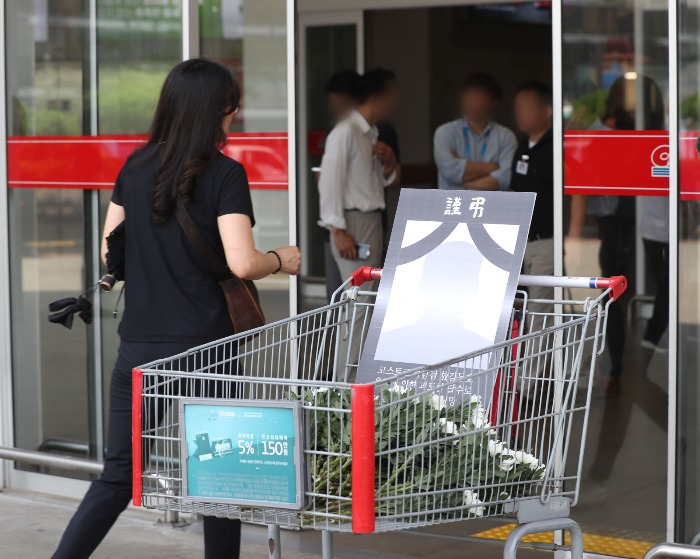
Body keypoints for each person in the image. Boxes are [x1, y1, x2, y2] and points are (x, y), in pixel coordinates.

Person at [51, 58, 301, 559]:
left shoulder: (136, 166)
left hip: (140, 348)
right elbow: (242, 261)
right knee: (215, 475)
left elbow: (110, 250)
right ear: (221, 109)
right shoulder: (226, 173)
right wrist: (282, 259)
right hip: (210, 348)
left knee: (118, 475)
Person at [318, 68, 399, 369]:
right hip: (353, 223)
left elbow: (381, 182)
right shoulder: (346, 132)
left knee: (366, 302)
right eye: (392, 96)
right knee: (358, 304)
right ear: (377, 97)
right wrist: (337, 228)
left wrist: (389, 161)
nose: (395, 103)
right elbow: (330, 181)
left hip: (370, 220)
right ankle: (346, 383)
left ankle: (355, 377)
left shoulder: (372, 133)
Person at [434, 72, 517, 191]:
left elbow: (505, 178)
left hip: (491, 206)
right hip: (454, 206)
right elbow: (449, 171)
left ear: (493, 102)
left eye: (479, 96)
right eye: (469, 96)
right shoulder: (445, 132)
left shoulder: (506, 137)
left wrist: (465, 179)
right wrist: (493, 167)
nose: (473, 102)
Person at [510, 81, 555, 296]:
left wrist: (574, 239)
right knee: (523, 304)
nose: (520, 114)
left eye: (527, 107)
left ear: (546, 111)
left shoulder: (557, 147)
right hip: (522, 241)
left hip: (547, 241)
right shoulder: (522, 146)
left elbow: (577, 195)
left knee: (540, 307)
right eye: (518, 108)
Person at [640, 197, 670, 351]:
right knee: (665, 285)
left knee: (666, 285)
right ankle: (655, 334)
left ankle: (655, 334)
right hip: (652, 231)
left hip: (669, 230)